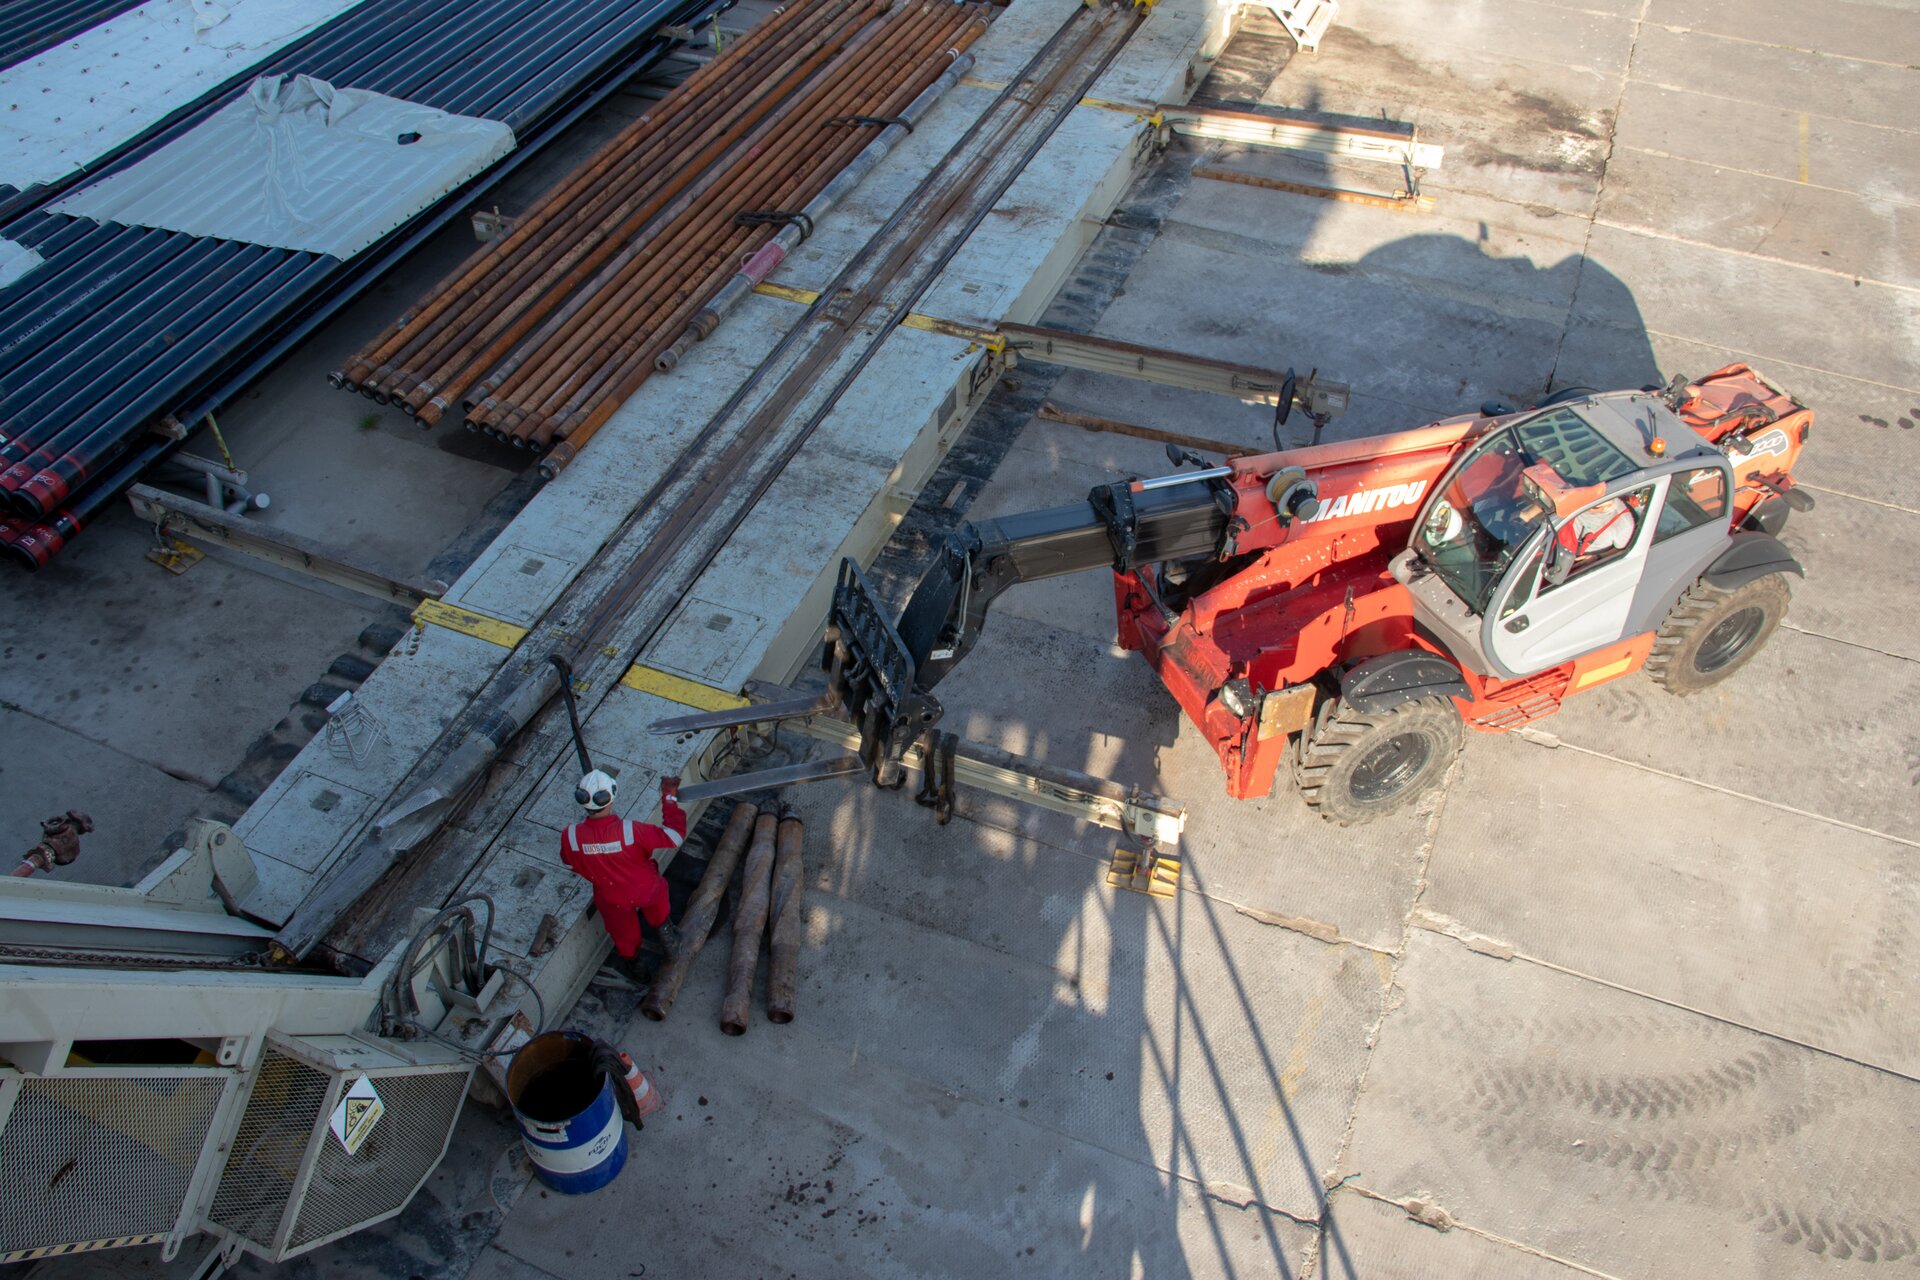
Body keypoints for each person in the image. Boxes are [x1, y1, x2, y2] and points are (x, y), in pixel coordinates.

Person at [560, 771, 685, 981]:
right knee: (658, 907)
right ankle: (668, 939)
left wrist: (598, 871)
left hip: (611, 897)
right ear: (612, 796)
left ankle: (637, 968)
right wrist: (669, 796)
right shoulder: (631, 831)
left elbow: (569, 863)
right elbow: (674, 837)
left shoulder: (571, 836)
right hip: (645, 889)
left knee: (624, 934)